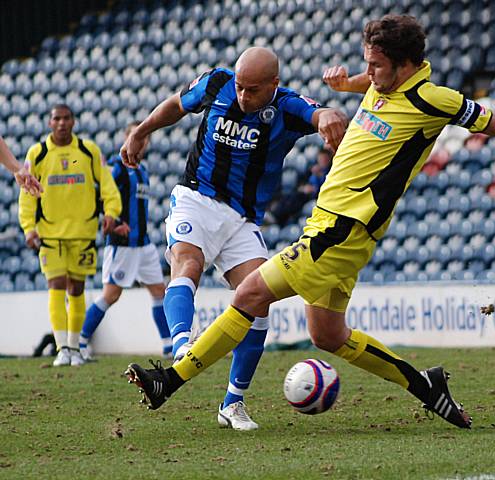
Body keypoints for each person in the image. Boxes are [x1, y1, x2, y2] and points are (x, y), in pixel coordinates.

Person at [124, 15, 495, 430]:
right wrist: (345, 86)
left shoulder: (433, 100)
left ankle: (171, 379)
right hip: (337, 228)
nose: (368, 75)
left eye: (374, 66)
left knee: (249, 295)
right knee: (327, 334)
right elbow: (358, 85)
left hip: (343, 230)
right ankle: (424, 384)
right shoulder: (381, 83)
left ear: (405, 64)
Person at [120, 47, 347, 430]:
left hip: (242, 219)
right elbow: (177, 104)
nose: (243, 96)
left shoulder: (287, 108)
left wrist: (330, 115)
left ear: (273, 85)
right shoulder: (218, 82)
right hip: (196, 198)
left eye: (253, 90)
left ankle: (232, 403)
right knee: (188, 262)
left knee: (258, 302)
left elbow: (318, 112)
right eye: (240, 88)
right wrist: (141, 132)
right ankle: (181, 346)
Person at [18, 104, 121, 367]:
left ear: (73, 122)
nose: (62, 123)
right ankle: (62, 347)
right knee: (56, 285)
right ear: (49, 122)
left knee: (77, 288)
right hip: (50, 234)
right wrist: (29, 227)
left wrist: (111, 211)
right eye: (57, 118)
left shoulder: (88, 151)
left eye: (66, 118)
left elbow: (107, 185)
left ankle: (75, 348)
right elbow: (27, 194)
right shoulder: (38, 153)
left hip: (83, 232)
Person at [79, 122, 171, 361]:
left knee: (159, 291)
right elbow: (99, 193)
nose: (141, 141)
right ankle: (79, 341)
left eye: (144, 137)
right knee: (111, 295)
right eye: (135, 136)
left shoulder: (142, 170)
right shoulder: (116, 165)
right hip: (123, 244)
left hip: (144, 243)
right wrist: (115, 221)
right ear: (126, 138)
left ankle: (169, 346)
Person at [269, 148, 332, 226]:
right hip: (306, 194)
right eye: (321, 159)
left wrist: (319, 181)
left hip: (319, 196)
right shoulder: (311, 170)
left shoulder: (331, 172)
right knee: (292, 197)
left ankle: (277, 218)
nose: (322, 161)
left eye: (325, 159)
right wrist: (304, 188)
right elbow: (300, 183)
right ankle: (277, 217)